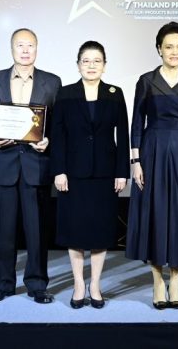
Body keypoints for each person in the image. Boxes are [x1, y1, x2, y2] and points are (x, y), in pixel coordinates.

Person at [125, 21, 178, 309]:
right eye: (169, 46)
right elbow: (137, 123)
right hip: (152, 151)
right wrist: (135, 161)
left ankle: (176, 280)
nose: (175, 52)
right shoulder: (146, 81)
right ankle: (157, 280)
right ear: (159, 49)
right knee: (155, 211)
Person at [0, 28, 61, 304]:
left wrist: (49, 140)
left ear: (37, 48)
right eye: (20, 45)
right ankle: (3, 284)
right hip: (4, 164)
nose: (25, 51)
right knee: (3, 230)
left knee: (37, 230)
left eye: (30, 45)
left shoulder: (52, 82)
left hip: (36, 165)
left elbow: (56, 123)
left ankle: (37, 284)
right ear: (11, 48)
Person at [51, 41, 130, 309]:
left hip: (105, 174)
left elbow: (123, 134)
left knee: (100, 231)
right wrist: (59, 170)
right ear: (78, 65)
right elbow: (58, 135)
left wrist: (122, 172)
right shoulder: (65, 93)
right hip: (73, 174)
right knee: (74, 231)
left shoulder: (114, 93)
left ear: (104, 65)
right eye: (86, 61)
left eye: (97, 61)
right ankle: (78, 284)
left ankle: (95, 284)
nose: (91, 65)